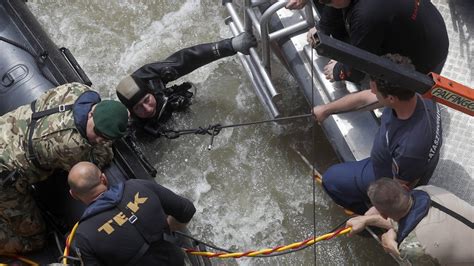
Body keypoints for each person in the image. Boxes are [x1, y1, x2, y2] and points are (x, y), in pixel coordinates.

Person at [0, 82, 129, 253]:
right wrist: (106, 145)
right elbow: (97, 162)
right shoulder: (71, 144)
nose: (99, 140)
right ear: (91, 113)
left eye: (105, 137)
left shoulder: (80, 89)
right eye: (97, 133)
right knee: (35, 239)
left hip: (6, 129)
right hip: (5, 174)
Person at [314, 54, 442, 214]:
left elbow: (398, 192)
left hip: (388, 176)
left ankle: (365, 216)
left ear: (391, 98)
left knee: (331, 180)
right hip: (392, 159)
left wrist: (373, 214)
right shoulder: (415, 91)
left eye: (375, 90)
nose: (371, 89)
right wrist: (326, 109)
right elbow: (366, 99)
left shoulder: (410, 149)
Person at [115, 32, 257, 137]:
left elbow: (187, 59)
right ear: (131, 111)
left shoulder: (150, 76)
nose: (146, 108)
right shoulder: (125, 120)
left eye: (147, 100)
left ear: (151, 92)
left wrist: (230, 45)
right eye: (138, 107)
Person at [68, 162, 196, 265]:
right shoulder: (139, 186)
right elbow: (187, 210)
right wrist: (169, 227)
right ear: (104, 178)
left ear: (73, 195)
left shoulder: (84, 234)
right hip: (175, 259)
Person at [295, 0, 449, 83]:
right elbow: (337, 4)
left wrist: (339, 70)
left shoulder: (365, 17)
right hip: (430, 25)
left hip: (425, 62)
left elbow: (357, 69)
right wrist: (323, 28)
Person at [346, 178, 474, 265]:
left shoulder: (411, 247)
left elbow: (411, 257)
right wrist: (367, 220)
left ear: (384, 215)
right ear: (405, 188)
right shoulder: (428, 190)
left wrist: (391, 246)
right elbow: (410, 218)